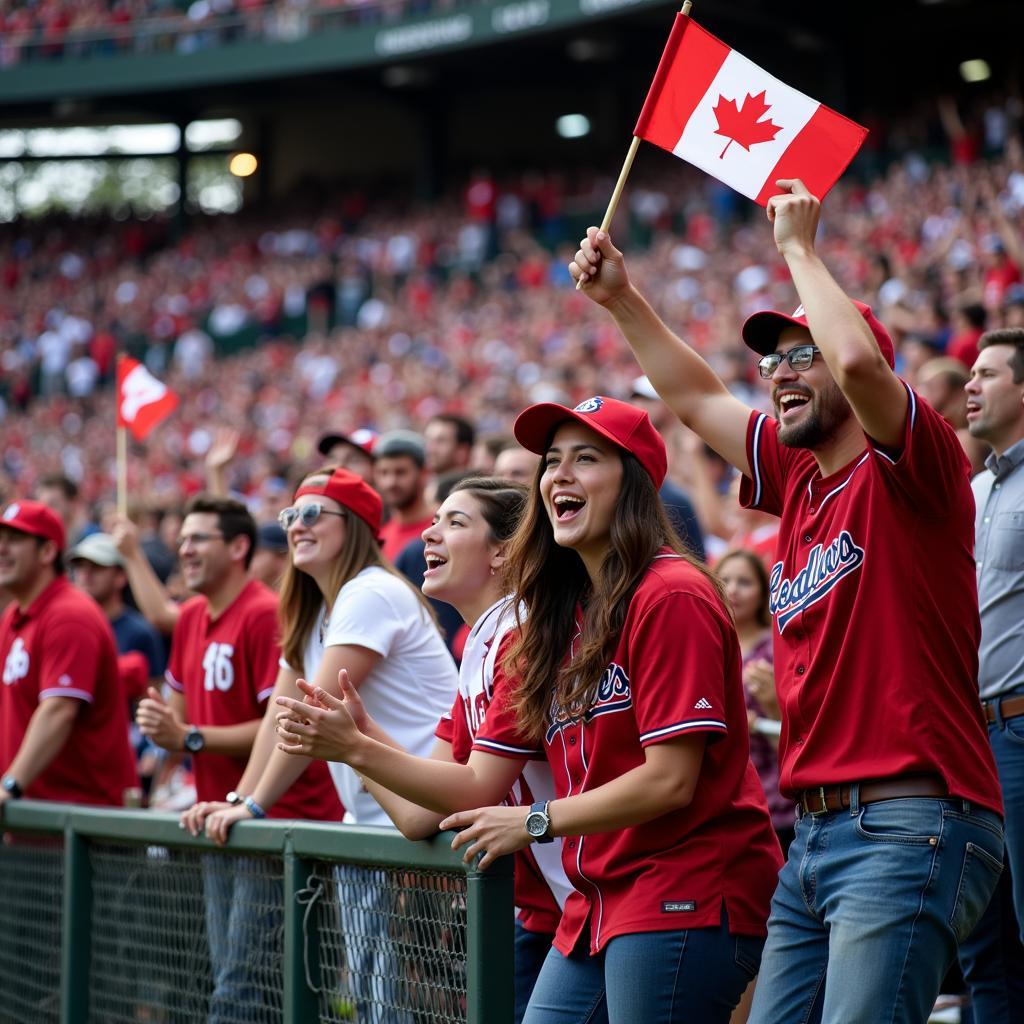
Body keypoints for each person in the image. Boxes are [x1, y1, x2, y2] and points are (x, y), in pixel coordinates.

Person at [569, 179, 1005, 1024]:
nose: (779, 375)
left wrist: (800, 248)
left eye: (798, 355)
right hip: (814, 833)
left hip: (909, 816)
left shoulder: (917, 467)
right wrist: (623, 301)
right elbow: (695, 399)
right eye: (771, 362)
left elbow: (856, 364)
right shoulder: (800, 477)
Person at [434, 398, 781, 1023]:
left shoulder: (671, 592)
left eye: (585, 459)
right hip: (597, 899)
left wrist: (534, 822)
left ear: (634, 484)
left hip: (684, 888)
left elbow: (671, 779)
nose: (558, 476)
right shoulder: (563, 615)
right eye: (552, 462)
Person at [273, 477, 571, 1024]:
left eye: (455, 522)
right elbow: (417, 816)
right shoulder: (478, 646)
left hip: (599, 902)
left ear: (503, 551)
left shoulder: (524, 638)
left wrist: (357, 749)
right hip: (547, 913)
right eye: (433, 520)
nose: (430, 532)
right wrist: (356, 743)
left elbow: (476, 786)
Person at [193, 467, 458, 1024]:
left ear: (356, 525)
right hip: (373, 823)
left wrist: (256, 805)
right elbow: (278, 715)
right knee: (374, 1001)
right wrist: (244, 800)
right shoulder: (314, 604)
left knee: (403, 1002)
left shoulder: (370, 591)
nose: (296, 526)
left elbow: (311, 716)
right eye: (290, 515)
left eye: (313, 513)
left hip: (427, 823)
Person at [136, 494, 340, 1024]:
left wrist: (192, 736)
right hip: (220, 819)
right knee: (240, 980)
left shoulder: (264, 613)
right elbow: (181, 727)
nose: (185, 549)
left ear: (239, 546)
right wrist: (168, 731)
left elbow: (280, 721)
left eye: (198, 538)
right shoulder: (190, 618)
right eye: (181, 539)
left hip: (279, 826)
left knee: (244, 989)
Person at [958, 328, 1024, 1021]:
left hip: (1021, 728)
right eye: (969, 373)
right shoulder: (973, 489)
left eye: (988, 374)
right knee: (984, 946)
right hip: (970, 740)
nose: (971, 386)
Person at [0, 500, 137, 809]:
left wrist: (10, 784)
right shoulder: (14, 615)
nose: (3, 549)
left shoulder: (69, 613)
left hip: (82, 820)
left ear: (47, 552)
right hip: (35, 815)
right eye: (1, 540)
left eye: (15, 540)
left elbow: (59, 709)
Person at [717, 549, 793, 854]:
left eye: (745, 582)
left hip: (778, 805)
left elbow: (795, 739)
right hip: (725, 805)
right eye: (725, 579)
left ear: (763, 593)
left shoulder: (777, 647)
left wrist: (772, 707)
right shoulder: (710, 641)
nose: (733, 589)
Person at [374, 430, 435, 561]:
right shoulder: (380, 537)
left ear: (424, 473)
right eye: (384, 473)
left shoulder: (444, 528)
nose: (391, 482)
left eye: (401, 472)